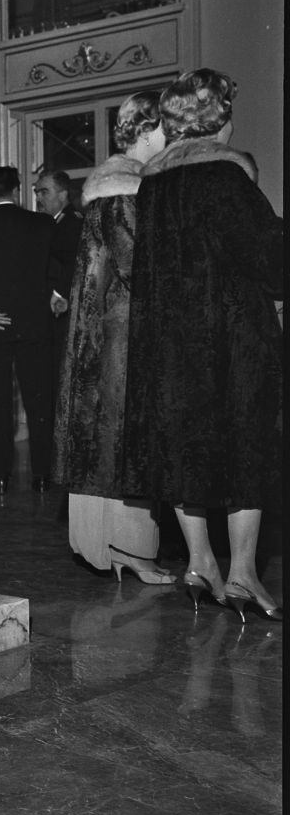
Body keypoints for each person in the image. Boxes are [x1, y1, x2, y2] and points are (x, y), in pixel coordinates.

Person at [123, 68, 283, 621]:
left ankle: (198, 564)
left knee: (184, 448)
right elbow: (270, 261)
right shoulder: (228, 177)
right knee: (246, 447)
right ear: (219, 117)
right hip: (235, 336)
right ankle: (241, 574)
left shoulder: (154, 185)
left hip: (171, 341)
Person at [53, 91, 176, 584]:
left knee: (97, 438)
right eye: (166, 129)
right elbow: (136, 269)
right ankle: (133, 549)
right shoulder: (131, 189)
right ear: (148, 131)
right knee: (126, 436)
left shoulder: (104, 185)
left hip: (95, 335)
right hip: (126, 333)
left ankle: (108, 547)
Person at [0, 166, 60, 494]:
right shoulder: (43, 224)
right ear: (18, 191)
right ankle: (43, 475)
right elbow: (54, 270)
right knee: (40, 403)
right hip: (35, 326)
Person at [34, 168, 84, 388]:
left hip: (61, 308)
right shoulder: (51, 224)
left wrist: (58, 293)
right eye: (37, 192)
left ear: (63, 195)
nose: (38, 198)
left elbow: (73, 261)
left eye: (44, 192)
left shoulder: (71, 223)